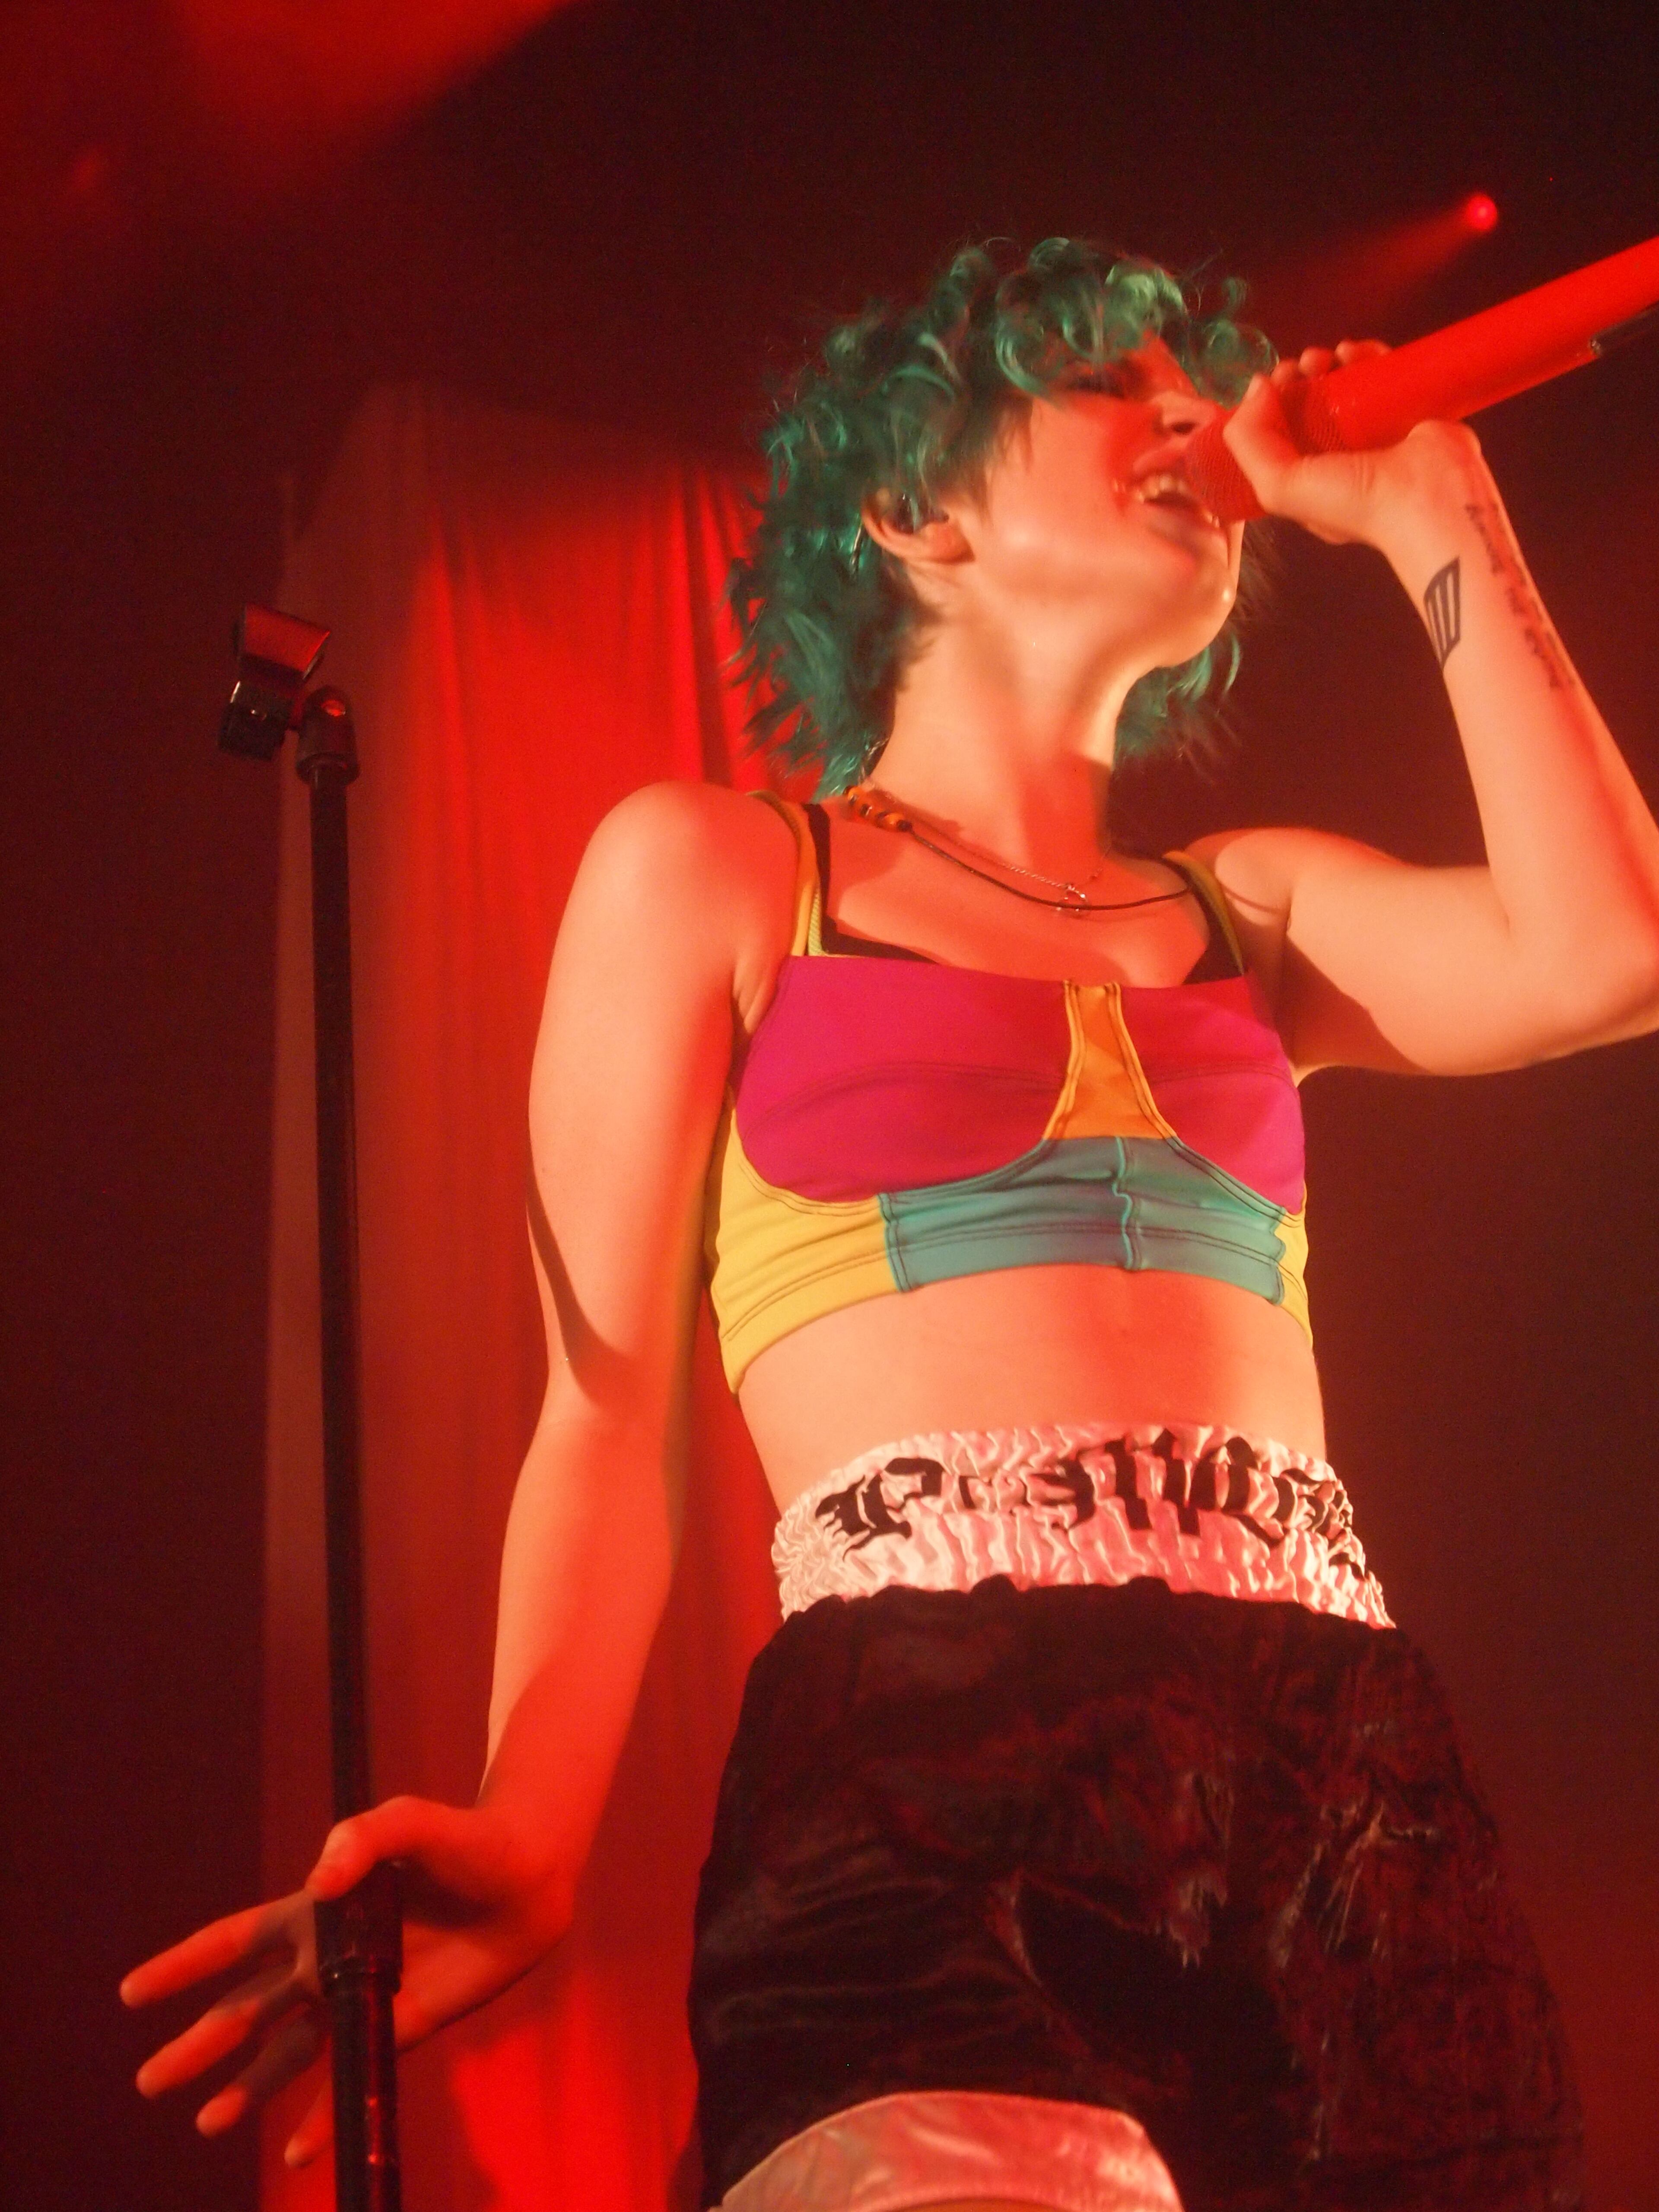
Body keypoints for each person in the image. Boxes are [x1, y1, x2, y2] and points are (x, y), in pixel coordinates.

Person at [122, 238, 1659, 2210]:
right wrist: (535, 1821)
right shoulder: (722, 871)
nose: (1195, 403)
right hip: (940, 1758)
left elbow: (1609, 948)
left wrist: (1443, 513)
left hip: (1341, 1773)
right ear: (912, 507)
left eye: (1205, 365)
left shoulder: (1251, 908)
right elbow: (597, 1427)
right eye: (1114, 374)